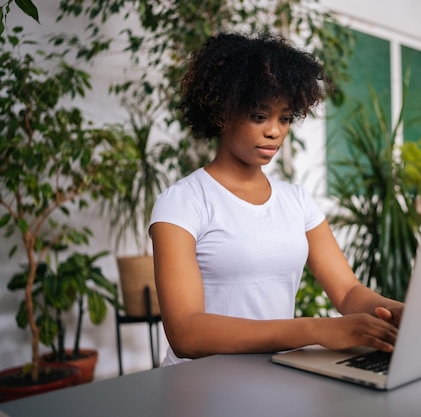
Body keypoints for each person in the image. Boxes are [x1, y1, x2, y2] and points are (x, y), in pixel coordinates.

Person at [149, 32, 404, 366]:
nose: (275, 131)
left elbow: (347, 292)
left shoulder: (296, 201)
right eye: (260, 116)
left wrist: (399, 312)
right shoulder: (183, 202)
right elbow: (186, 333)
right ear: (222, 114)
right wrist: (314, 329)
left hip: (274, 377)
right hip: (202, 386)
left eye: (284, 118)